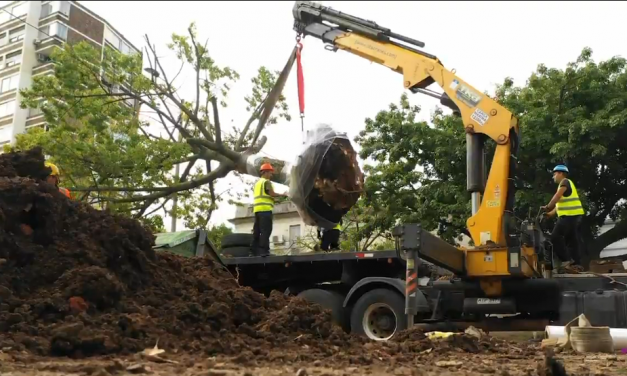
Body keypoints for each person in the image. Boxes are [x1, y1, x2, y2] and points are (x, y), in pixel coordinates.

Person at [541, 164, 586, 269]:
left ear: (561, 173)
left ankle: (566, 260)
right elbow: (559, 206)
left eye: (554, 174)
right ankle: (576, 264)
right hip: (573, 217)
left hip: (570, 216)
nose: (553, 177)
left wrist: (547, 207)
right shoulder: (565, 184)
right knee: (571, 241)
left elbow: (556, 197)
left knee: (555, 237)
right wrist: (550, 213)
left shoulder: (564, 182)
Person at [250, 163, 288, 256]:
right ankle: (264, 251)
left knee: (257, 231)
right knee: (266, 231)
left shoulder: (257, 183)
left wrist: (277, 200)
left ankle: (253, 251)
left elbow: (266, 196)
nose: (271, 175)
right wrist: (283, 194)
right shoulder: (266, 182)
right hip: (265, 210)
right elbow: (271, 193)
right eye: (270, 173)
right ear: (265, 172)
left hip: (257, 210)